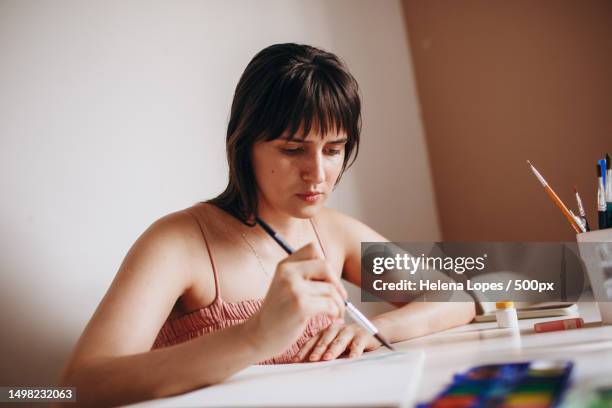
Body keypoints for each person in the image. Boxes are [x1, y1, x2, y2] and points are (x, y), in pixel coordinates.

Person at [59, 43, 475, 407]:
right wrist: (255, 335)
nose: (317, 174)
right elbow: (79, 387)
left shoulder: (334, 234)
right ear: (244, 146)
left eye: (333, 149)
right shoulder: (178, 244)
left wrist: (372, 330)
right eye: (293, 149)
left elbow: (456, 297)